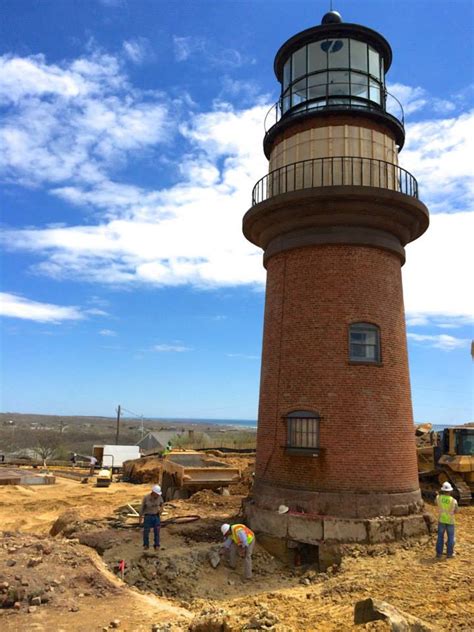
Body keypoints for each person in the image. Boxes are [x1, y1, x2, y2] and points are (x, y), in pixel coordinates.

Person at [435, 481, 458, 559]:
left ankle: (439, 554)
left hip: (441, 520)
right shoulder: (453, 500)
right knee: (451, 537)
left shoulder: (438, 498)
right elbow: (456, 511)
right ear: (450, 491)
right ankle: (449, 554)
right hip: (450, 521)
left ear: (443, 490)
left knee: (440, 537)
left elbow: (436, 502)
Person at [139, 485, 164, 550]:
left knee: (157, 532)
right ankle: (146, 545)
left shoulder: (159, 497)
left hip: (156, 517)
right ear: (153, 492)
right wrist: (140, 518)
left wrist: (161, 510)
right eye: (156, 494)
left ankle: (156, 545)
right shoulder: (146, 498)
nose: (157, 496)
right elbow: (142, 508)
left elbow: (162, 504)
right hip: (148, 517)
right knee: (146, 532)